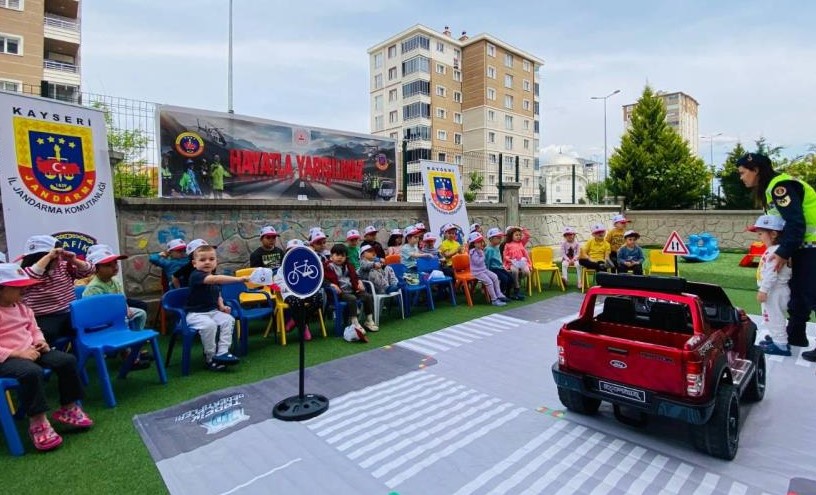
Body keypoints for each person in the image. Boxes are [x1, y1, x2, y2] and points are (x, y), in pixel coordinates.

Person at [0, 263, 93, 451]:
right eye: (17, 287)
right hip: (7, 358)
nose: (24, 290)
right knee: (31, 372)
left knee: (66, 360)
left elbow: (34, 329)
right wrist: (17, 353)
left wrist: (40, 342)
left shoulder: (22, 308)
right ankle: (38, 422)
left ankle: (68, 406)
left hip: (31, 350)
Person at [737, 152, 816, 360]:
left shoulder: (780, 187)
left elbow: (796, 222)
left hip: (811, 246)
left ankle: (794, 335)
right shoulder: (771, 190)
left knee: (812, 293)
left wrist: (782, 252)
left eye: (743, 173)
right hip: (802, 246)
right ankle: (795, 336)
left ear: (756, 170)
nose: (741, 177)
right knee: (799, 292)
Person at [19, 235, 94, 345]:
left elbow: (89, 270)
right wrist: (49, 257)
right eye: (56, 256)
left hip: (69, 312)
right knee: (45, 335)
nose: (59, 259)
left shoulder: (64, 267)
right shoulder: (27, 273)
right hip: (43, 317)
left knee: (92, 322)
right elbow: (29, 277)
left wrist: (74, 261)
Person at [185, 244, 247, 371]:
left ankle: (222, 353)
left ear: (216, 262)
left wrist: (222, 306)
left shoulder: (212, 277)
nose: (207, 262)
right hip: (195, 314)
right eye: (202, 260)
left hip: (212, 311)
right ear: (194, 263)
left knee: (228, 320)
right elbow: (215, 280)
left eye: (211, 259)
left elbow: (217, 293)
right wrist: (239, 279)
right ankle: (210, 357)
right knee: (210, 325)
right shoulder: (197, 275)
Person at [749, 215, 793, 356]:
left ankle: (781, 345)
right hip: (776, 290)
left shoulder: (775, 252)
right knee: (773, 317)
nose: (759, 237)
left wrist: (764, 290)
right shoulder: (776, 250)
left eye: (761, 234)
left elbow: (771, 273)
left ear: (773, 234)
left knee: (774, 317)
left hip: (774, 291)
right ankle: (777, 339)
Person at [83, 245, 148, 331]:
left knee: (141, 313)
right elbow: (97, 312)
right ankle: (125, 338)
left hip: (115, 312)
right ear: (96, 268)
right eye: (108, 265)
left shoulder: (115, 280)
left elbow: (122, 299)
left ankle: (136, 337)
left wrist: (127, 308)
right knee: (121, 319)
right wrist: (120, 313)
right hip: (100, 319)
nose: (115, 266)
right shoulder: (94, 288)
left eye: (115, 263)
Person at [323, 243, 377, 332]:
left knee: (367, 296)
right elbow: (322, 280)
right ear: (331, 256)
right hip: (339, 293)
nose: (340, 257)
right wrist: (331, 284)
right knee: (352, 298)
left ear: (346, 257)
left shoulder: (348, 266)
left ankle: (369, 320)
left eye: (342, 256)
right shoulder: (327, 266)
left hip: (352, 290)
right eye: (337, 255)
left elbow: (356, 276)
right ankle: (354, 323)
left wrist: (359, 281)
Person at [467, 232, 509, 306]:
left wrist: (481, 254)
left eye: (481, 241)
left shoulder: (480, 250)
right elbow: (478, 262)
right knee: (489, 282)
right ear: (474, 243)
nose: (481, 243)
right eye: (479, 242)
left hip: (483, 270)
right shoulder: (472, 252)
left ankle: (499, 294)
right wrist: (482, 256)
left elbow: (482, 262)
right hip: (477, 272)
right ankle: (494, 300)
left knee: (495, 277)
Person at [502, 226, 531, 301]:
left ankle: (518, 281)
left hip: (522, 262)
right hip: (512, 263)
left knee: (527, 272)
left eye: (519, 235)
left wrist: (523, 229)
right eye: (516, 235)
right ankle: (516, 290)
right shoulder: (507, 245)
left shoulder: (521, 243)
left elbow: (528, 236)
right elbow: (505, 256)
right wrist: (510, 260)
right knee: (514, 271)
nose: (518, 236)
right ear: (511, 236)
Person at [485, 227, 514, 297]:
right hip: (493, 269)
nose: (500, 239)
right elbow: (487, 261)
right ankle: (499, 294)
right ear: (491, 239)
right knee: (504, 279)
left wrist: (503, 266)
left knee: (511, 278)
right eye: (498, 237)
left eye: (500, 237)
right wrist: (487, 272)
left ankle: (507, 294)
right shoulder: (488, 249)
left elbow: (499, 259)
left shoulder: (497, 247)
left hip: (500, 267)